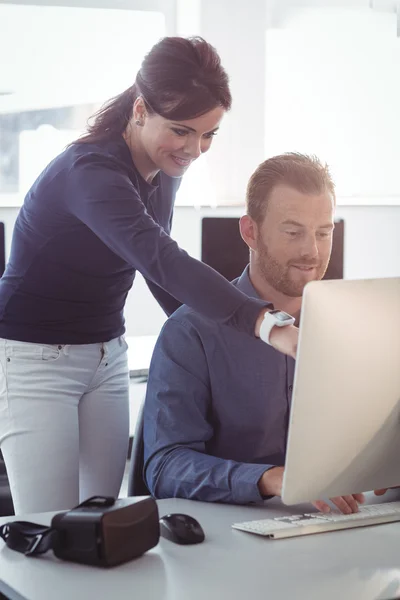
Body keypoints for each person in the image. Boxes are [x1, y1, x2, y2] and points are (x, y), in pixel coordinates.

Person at [0, 36, 297, 514]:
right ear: (140, 110)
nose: (194, 149)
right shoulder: (90, 172)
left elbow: (158, 277)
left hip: (106, 356)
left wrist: (205, 342)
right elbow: (162, 258)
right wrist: (265, 323)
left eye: (207, 135)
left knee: (100, 521)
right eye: (181, 131)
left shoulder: (164, 167)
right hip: (35, 359)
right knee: (49, 528)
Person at [143, 152, 366, 515]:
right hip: (235, 531)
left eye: (323, 233)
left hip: (340, 524)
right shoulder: (191, 332)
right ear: (251, 232)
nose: (311, 251)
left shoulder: (355, 326)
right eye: (293, 232)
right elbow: (165, 467)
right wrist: (270, 479)